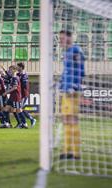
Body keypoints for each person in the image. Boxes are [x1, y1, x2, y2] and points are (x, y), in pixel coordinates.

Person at [59, 30, 85, 160]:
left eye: (63, 38)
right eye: (60, 39)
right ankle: (66, 150)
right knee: (65, 120)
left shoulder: (76, 50)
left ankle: (76, 153)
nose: (61, 41)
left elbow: (81, 70)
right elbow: (66, 71)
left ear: (69, 38)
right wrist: (60, 84)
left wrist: (74, 86)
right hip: (65, 90)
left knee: (72, 120)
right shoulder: (66, 52)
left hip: (73, 91)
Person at [17, 62, 36, 128]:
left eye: (18, 66)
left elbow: (24, 85)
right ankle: (31, 119)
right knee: (20, 108)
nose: (17, 68)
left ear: (21, 67)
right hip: (19, 94)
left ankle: (24, 123)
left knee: (19, 108)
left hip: (24, 94)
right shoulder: (18, 74)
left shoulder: (24, 75)